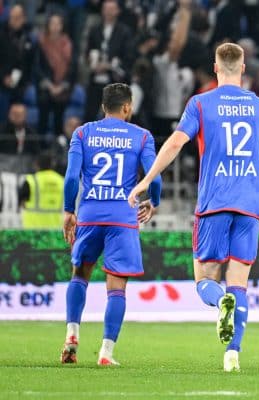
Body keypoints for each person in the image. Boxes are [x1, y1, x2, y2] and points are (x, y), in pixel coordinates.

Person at [127, 42, 259, 372]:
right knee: (239, 282)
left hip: (215, 202)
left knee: (205, 280)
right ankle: (233, 353)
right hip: (249, 205)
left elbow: (177, 141)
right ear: (244, 69)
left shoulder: (201, 103)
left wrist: (147, 179)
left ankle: (221, 303)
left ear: (216, 68)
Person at [60, 83, 162, 366]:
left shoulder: (83, 133)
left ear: (104, 107)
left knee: (79, 274)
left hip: (90, 213)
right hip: (123, 217)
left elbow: (71, 178)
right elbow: (155, 177)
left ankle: (71, 335)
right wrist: (152, 201)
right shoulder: (141, 136)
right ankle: (106, 352)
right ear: (128, 107)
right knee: (116, 287)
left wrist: (69, 210)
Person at [19, 152, 64, 229]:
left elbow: (22, 203)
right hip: (55, 231)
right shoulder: (62, 181)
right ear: (53, 165)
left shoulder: (30, 181)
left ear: (36, 164)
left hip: (32, 231)